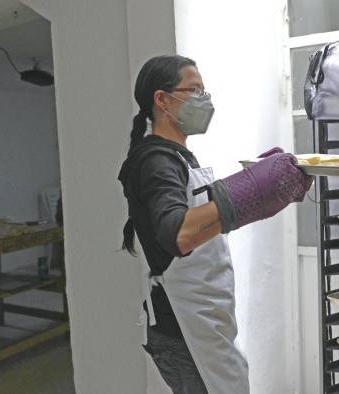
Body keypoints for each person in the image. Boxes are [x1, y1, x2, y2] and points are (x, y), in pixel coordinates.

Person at [118, 55, 312, 394]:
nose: (204, 101)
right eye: (194, 91)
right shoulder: (155, 161)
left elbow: (205, 218)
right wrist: (249, 189)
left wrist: (265, 194)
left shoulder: (177, 157)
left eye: (205, 92)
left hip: (203, 319)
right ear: (161, 99)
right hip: (183, 328)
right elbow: (179, 233)